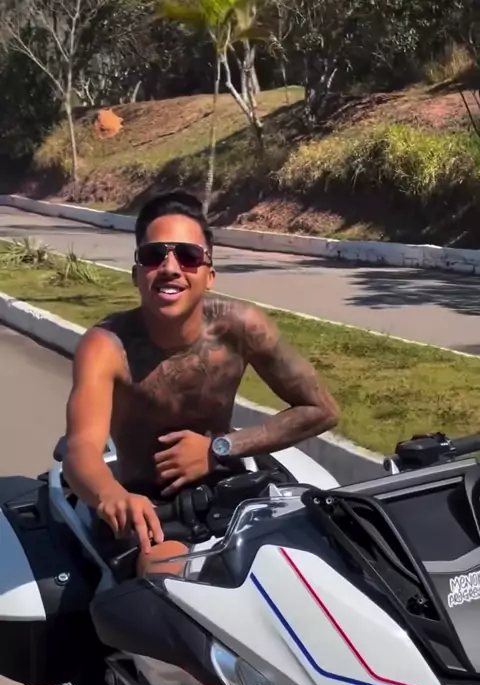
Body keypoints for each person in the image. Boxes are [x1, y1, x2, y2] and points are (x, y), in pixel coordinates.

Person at [62, 190, 340, 577]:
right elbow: (80, 449)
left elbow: (322, 409)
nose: (171, 268)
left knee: (315, 566)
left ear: (209, 275)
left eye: (189, 256)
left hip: (232, 492)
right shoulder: (106, 346)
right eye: (154, 255)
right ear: (137, 274)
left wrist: (218, 448)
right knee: (170, 584)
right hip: (149, 512)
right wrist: (111, 495)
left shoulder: (240, 327)